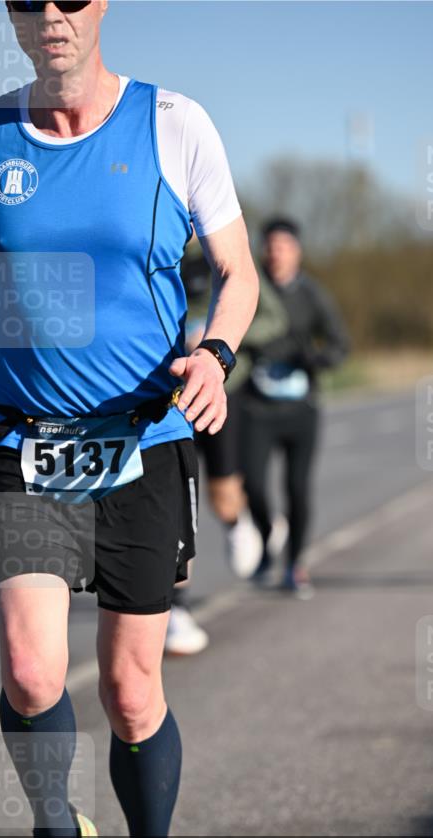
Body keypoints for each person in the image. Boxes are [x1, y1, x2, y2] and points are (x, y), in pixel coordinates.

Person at [0, 0, 258, 838]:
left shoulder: (175, 123)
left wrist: (214, 352)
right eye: (30, 0)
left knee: (130, 691)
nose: (52, 16)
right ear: (10, 13)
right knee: (34, 674)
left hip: (143, 444)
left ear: (102, 4)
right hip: (20, 443)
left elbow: (237, 271)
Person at [165, 239, 289, 654]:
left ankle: (238, 524)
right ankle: (176, 608)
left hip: (220, 393)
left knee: (222, 496)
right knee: (178, 505)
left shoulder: (228, 253)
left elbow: (271, 318)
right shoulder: (158, 250)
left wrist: (218, 340)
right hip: (168, 399)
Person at [240, 217, 350, 598]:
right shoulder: (250, 289)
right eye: (269, 247)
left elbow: (340, 345)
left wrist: (311, 359)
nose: (275, 253)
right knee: (251, 483)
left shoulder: (312, 295)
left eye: (283, 246)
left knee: (297, 489)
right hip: (257, 407)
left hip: (301, 408)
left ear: (296, 251)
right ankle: (269, 537)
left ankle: (295, 564)